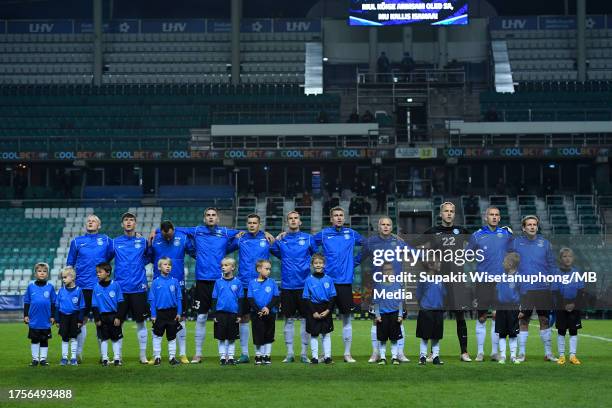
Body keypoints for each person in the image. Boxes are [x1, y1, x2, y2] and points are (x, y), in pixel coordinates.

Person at [162, 207, 273, 364]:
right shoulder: (197, 231)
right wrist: (156, 231)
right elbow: (175, 228)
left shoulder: (226, 232)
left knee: (236, 317)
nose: (211, 217)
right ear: (204, 218)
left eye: (214, 215)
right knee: (201, 317)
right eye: (208, 215)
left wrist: (265, 233)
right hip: (202, 281)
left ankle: (237, 354)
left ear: (218, 218)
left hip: (222, 282)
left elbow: (248, 230)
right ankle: (198, 354)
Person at [414, 202, 472, 362]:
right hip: (438, 280)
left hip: (457, 280)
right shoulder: (433, 232)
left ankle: (464, 352)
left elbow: (477, 243)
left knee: (460, 316)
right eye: (446, 211)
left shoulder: (461, 231)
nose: (449, 214)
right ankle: (433, 353)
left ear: (454, 214)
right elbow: (413, 243)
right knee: (435, 316)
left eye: (452, 211)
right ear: (441, 214)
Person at [358, 216, 410, 363]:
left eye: (388, 224)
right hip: (377, 287)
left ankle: (400, 353)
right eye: (383, 224)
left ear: (391, 227)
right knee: (376, 320)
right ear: (378, 227)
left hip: (396, 287)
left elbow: (413, 253)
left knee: (399, 320)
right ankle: (375, 353)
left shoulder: (398, 242)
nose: (386, 227)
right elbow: (359, 258)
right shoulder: (371, 243)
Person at [314, 206, 363, 363]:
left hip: (344, 283)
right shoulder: (323, 234)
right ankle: (324, 354)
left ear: (344, 217)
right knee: (323, 319)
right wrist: (320, 263)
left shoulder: (351, 233)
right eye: (336, 215)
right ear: (331, 218)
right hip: (327, 283)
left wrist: (354, 262)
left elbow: (368, 245)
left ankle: (347, 354)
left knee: (346, 319)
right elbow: (309, 244)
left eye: (341, 215)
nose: (339, 217)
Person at [227, 213, 275, 364]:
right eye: (249, 223)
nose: (252, 225)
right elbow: (225, 247)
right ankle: (245, 354)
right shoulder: (241, 238)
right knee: (243, 318)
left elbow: (282, 249)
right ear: (247, 224)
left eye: (255, 222)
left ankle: (260, 353)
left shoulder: (266, 239)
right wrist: (234, 235)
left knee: (261, 317)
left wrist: (278, 236)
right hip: (244, 284)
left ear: (259, 224)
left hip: (261, 286)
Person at [270, 211, 318, 363]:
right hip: (287, 286)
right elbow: (275, 251)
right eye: (290, 218)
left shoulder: (308, 239)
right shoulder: (281, 240)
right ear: (287, 222)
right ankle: (289, 353)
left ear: (300, 222)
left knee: (305, 320)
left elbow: (316, 257)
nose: (293, 220)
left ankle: (304, 354)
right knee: (288, 320)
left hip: (304, 286)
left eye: (296, 218)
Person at [467, 206, 513, 362]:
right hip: (483, 281)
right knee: (481, 317)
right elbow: (467, 254)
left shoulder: (506, 234)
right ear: (485, 217)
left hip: (501, 282)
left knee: (496, 316)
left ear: (500, 218)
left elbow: (514, 253)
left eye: (497, 215)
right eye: (491, 215)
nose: (494, 217)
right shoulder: (477, 235)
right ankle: (480, 352)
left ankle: (494, 352)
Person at [66, 214, 114, 361]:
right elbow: (70, 264)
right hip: (82, 287)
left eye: (93, 221)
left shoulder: (106, 240)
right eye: (88, 221)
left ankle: (103, 355)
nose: (90, 222)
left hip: (101, 288)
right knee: (81, 320)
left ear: (99, 225)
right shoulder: (77, 241)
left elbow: (114, 253)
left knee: (103, 321)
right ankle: (78, 353)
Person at [510, 215, 558, 362]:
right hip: (524, 288)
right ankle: (522, 354)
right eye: (529, 225)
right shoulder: (516, 243)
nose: (532, 227)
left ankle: (548, 353)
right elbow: (509, 262)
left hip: (543, 288)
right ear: (523, 228)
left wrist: (553, 283)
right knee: (523, 320)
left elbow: (552, 266)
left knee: (544, 319)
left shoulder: (545, 244)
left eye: (534, 224)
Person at [149, 220, 195, 364]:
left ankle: (182, 354)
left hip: (178, 284)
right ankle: (156, 355)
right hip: (160, 287)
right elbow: (147, 255)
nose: (168, 238)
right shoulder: (155, 239)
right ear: (161, 231)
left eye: (170, 235)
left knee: (180, 322)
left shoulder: (182, 238)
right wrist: (155, 233)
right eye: (165, 235)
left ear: (173, 230)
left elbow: (194, 250)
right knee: (157, 328)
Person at [111, 212, 151, 364]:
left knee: (141, 322)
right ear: (122, 224)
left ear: (135, 223)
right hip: (120, 289)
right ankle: (117, 356)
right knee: (117, 322)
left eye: (131, 220)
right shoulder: (115, 242)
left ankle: (142, 355)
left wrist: (140, 264)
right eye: (126, 220)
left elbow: (151, 255)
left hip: (138, 288)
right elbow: (106, 259)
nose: (128, 222)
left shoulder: (142, 241)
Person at [148, 257, 183, 366]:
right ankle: (157, 357)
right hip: (159, 313)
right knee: (157, 336)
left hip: (172, 313)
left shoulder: (175, 281)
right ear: (159, 267)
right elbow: (152, 300)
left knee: (172, 337)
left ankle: (172, 357)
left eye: (169, 265)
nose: (168, 266)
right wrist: (153, 314)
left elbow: (179, 298)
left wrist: (179, 313)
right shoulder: (155, 282)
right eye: (165, 264)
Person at [302, 254, 336, 364]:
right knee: (314, 334)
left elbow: (332, 296)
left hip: (326, 308)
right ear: (312, 265)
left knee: (326, 334)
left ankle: (327, 357)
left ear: (324, 265)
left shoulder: (329, 279)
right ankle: (315, 358)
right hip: (313, 308)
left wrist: (328, 310)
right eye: (316, 263)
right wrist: (314, 312)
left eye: (320, 263)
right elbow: (306, 298)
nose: (318, 265)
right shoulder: (308, 280)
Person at [554, 248, 585, 365]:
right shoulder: (556, 273)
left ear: (573, 259)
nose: (567, 259)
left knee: (573, 330)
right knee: (561, 331)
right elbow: (555, 291)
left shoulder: (576, 273)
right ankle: (561, 356)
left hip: (574, 305)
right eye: (565, 256)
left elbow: (581, 291)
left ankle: (572, 356)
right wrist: (564, 305)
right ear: (560, 259)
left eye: (570, 256)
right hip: (561, 306)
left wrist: (574, 304)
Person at [247, 259, 280, 365]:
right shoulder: (252, 283)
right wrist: (258, 310)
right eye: (266, 269)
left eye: (270, 269)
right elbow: (250, 299)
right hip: (256, 313)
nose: (269, 271)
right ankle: (258, 355)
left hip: (270, 312)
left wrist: (268, 308)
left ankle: (267, 355)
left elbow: (276, 297)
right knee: (258, 334)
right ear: (259, 269)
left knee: (269, 334)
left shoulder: (272, 282)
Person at [92, 262, 125, 366]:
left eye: (100, 272)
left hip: (113, 316)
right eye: (97, 272)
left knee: (115, 338)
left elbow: (120, 302)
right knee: (103, 339)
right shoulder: (96, 287)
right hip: (102, 317)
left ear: (108, 273)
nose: (98, 274)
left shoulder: (115, 285)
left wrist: (118, 317)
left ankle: (116, 358)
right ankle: (105, 359)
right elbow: (94, 305)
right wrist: (97, 319)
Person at [23, 262, 56, 366]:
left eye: (44, 271)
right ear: (35, 273)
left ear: (47, 274)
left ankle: (43, 359)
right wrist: (26, 315)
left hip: (45, 319)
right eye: (39, 271)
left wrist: (52, 316)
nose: (42, 273)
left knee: (44, 339)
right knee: (34, 339)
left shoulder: (50, 287)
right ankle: (35, 359)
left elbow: (53, 303)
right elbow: (27, 302)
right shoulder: (30, 287)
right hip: (34, 319)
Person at [212, 257, 243, 366]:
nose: (223, 267)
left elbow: (240, 299)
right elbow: (214, 298)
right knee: (221, 337)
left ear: (233, 267)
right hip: (221, 313)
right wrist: (214, 313)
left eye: (226, 265)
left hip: (233, 313)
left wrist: (239, 314)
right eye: (222, 265)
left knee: (232, 337)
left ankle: (230, 357)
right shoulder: (218, 282)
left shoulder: (238, 282)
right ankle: (222, 357)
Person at [372, 263, 404, 365]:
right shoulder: (378, 285)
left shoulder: (398, 284)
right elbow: (376, 302)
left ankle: (394, 357)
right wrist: (377, 315)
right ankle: (382, 358)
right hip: (383, 315)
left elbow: (400, 302)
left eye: (390, 269)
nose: (388, 271)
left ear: (393, 271)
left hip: (394, 314)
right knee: (382, 339)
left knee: (394, 338)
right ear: (382, 272)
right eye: (386, 270)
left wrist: (400, 315)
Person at [416, 260, 446, 366]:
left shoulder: (440, 279)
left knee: (436, 336)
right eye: (437, 263)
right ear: (430, 265)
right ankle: (423, 356)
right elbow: (418, 295)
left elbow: (444, 294)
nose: (439, 264)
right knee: (425, 336)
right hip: (426, 310)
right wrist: (425, 306)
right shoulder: (423, 279)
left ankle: (435, 356)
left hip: (438, 310)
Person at [55, 266, 85, 366]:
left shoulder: (79, 290)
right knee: (64, 338)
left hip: (74, 317)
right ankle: (64, 358)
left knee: (74, 338)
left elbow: (81, 306)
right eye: (62, 278)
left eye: (65, 277)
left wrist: (80, 320)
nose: (63, 280)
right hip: (63, 317)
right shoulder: (61, 291)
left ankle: (73, 358)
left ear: (72, 277)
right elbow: (57, 306)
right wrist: (57, 320)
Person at [495, 253, 521, 364]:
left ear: (510, 264)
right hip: (501, 308)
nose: (502, 263)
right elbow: (497, 292)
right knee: (501, 333)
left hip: (513, 308)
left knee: (513, 333)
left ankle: (513, 356)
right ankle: (503, 356)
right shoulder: (501, 276)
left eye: (504, 261)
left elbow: (522, 293)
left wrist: (522, 308)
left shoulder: (519, 276)